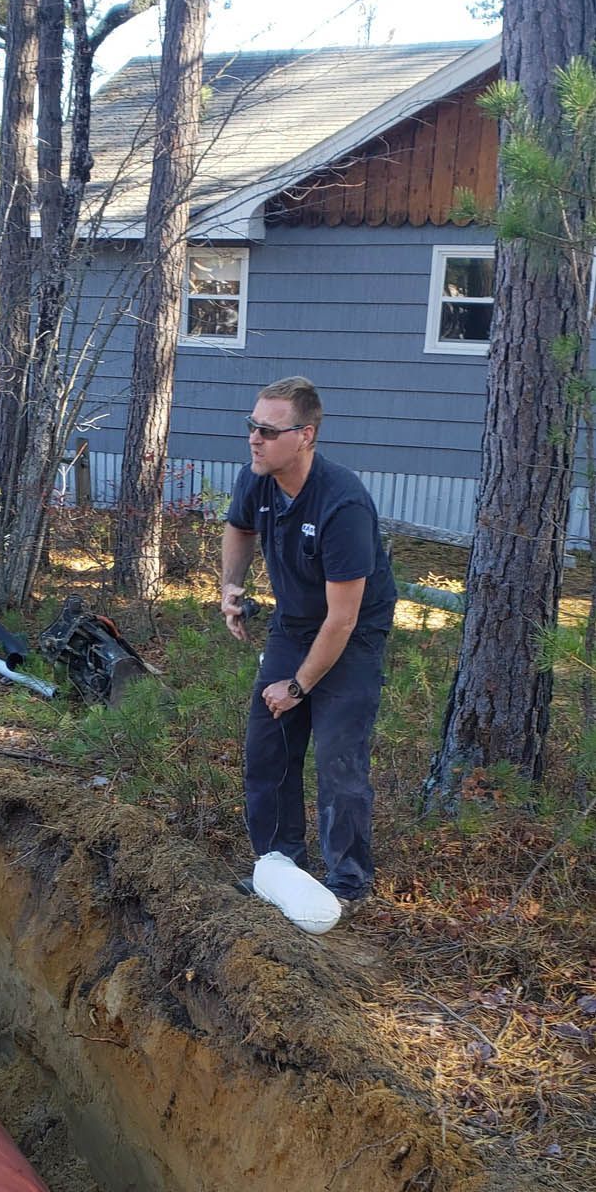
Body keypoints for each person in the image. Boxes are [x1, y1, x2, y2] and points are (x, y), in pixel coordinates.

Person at [221, 376, 396, 914]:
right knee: (267, 749)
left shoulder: (343, 505)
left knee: (339, 760)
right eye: (252, 426)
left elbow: (342, 621)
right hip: (294, 625)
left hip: (353, 634)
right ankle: (278, 866)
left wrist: (298, 686)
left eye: (268, 431)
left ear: (305, 436)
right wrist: (230, 584)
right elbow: (238, 529)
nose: (254, 438)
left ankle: (347, 884)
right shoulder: (259, 478)